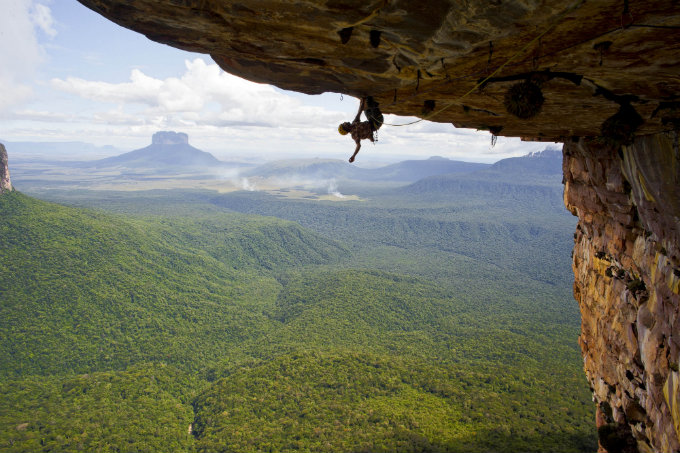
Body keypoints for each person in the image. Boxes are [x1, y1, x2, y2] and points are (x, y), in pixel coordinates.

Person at [338, 96, 383, 163]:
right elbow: (358, 145)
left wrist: (362, 102)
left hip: (371, 120)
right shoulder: (354, 135)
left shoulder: (354, 123)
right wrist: (353, 156)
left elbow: (359, 112)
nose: (344, 122)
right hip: (376, 123)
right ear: (346, 129)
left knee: (366, 109)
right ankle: (373, 104)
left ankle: (371, 103)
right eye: (343, 124)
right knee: (371, 104)